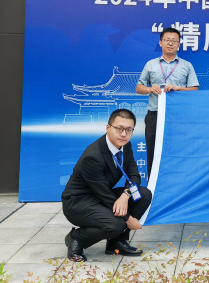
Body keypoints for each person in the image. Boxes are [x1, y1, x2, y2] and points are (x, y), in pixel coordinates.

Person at [62, 109, 152, 262]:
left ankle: (116, 243)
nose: (123, 134)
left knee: (144, 195)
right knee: (116, 224)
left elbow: (134, 176)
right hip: (79, 203)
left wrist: (125, 195)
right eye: (119, 128)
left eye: (129, 130)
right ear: (108, 127)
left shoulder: (125, 146)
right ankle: (76, 238)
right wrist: (128, 218)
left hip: (101, 196)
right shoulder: (93, 156)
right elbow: (103, 193)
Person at [136, 27, 199, 177]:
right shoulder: (151, 64)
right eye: (167, 40)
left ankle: (178, 182)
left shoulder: (186, 65)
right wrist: (150, 89)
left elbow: (194, 89)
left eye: (174, 41)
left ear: (179, 44)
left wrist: (178, 88)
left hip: (179, 116)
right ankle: (152, 185)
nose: (170, 43)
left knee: (179, 150)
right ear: (160, 43)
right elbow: (139, 88)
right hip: (154, 115)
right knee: (153, 151)